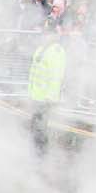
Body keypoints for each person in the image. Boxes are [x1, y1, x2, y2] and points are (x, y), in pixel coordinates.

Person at [27, 17, 65, 153]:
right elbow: (34, 72)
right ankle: (35, 153)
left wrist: (50, 97)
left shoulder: (56, 52)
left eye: (48, 33)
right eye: (45, 32)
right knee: (35, 126)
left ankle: (41, 155)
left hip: (45, 99)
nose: (45, 35)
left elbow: (56, 76)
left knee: (41, 129)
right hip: (36, 96)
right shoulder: (41, 49)